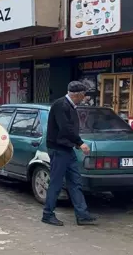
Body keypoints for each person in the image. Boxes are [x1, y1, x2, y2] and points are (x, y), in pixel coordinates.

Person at [42, 81, 97, 227]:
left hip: (67, 149)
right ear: (77, 95)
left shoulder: (70, 106)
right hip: (58, 149)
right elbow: (65, 129)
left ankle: (82, 215)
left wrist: (75, 144)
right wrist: (80, 143)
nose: (85, 98)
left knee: (75, 182)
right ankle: (48, 214)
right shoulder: (61, 105)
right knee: (56, 183)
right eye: (84, 95)